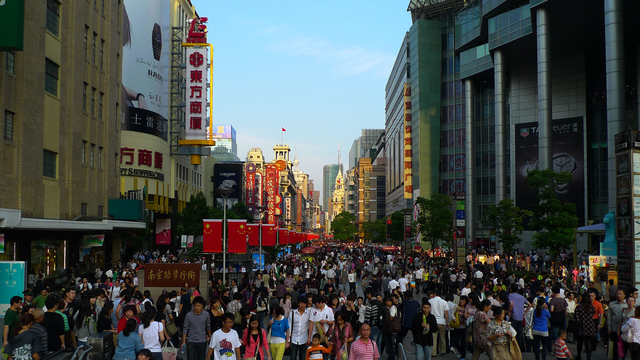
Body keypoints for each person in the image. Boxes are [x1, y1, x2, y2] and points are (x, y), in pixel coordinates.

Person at [508, 283, 530, 351]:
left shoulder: (510, 296)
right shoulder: (521, 297)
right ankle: (520, 348)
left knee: (512, 333)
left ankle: (513, 347)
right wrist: (525, 313)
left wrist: (509, 311)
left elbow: (511, 304)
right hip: (520, 316)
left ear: (511, 289)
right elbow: (529, 304)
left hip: (514, 316)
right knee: (520, 334)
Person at [575, 294, 597, 360]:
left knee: (580, 343)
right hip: (590, 326)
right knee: (588, 343)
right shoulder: (591, 307)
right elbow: (594, 313)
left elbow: (576, 317)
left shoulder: (579, 307)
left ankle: (579, 356)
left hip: (581, 327)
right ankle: (588, 358)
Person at [427, 290, 448, 357]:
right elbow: (446, 313)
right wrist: (447, 321)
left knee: (433, 337)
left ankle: (433, 352)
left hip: (433, 322)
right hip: (442, 322)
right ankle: (443, 351)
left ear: (435, 294)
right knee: (442, 337)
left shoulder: (430, 301)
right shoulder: (444, 302)